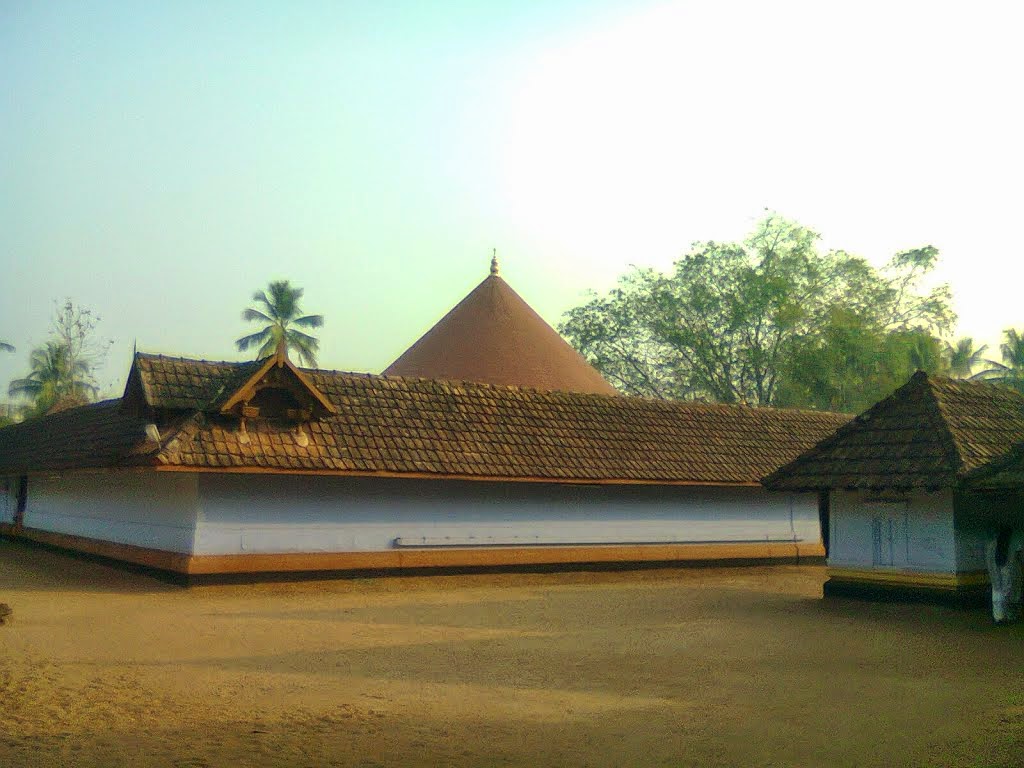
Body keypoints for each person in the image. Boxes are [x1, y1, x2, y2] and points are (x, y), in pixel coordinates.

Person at [986, 526, 1023, 624]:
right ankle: (1006, 616)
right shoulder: (1011, 544)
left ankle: (1000, 617)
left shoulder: (993, 545)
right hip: (1007, 573)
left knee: (999, 594)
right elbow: (1018, 558)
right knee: (1007, 594)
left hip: (999, 573)